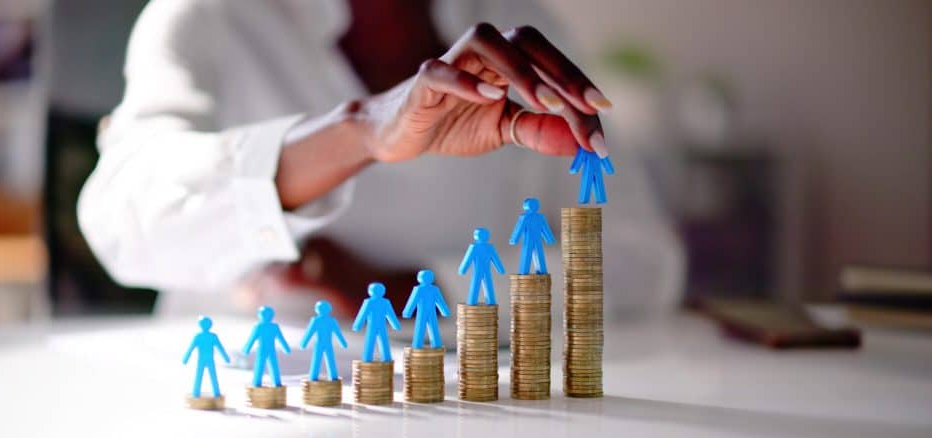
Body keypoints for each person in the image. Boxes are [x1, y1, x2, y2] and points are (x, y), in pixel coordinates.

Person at [77, 0, 682, 318]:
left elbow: (643, 260)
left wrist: (414, 292)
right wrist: (360, 134)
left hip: (466, 433)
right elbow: (121, 225)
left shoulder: (521, 25)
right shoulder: (206, 16)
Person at [181, 316, 230, 398]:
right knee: (203, 376)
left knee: (207, 376)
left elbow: (220, 347)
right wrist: (226, 358)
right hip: (205, 359)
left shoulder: (204, 336)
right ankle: (200, 392)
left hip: (207, 359)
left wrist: (186, 358)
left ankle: (210, 392)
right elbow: (191, 348)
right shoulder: (203, 336)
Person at [402, 270, 451, 348]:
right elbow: (413, 301)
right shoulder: (420, 289)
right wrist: (445, 311)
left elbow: (440, 301)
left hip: (428, 313)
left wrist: (408, 312)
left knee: (428, 328)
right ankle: (419, 345)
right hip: (425, 313)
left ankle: (424, 345)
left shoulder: (433, 289)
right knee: (424, 328)